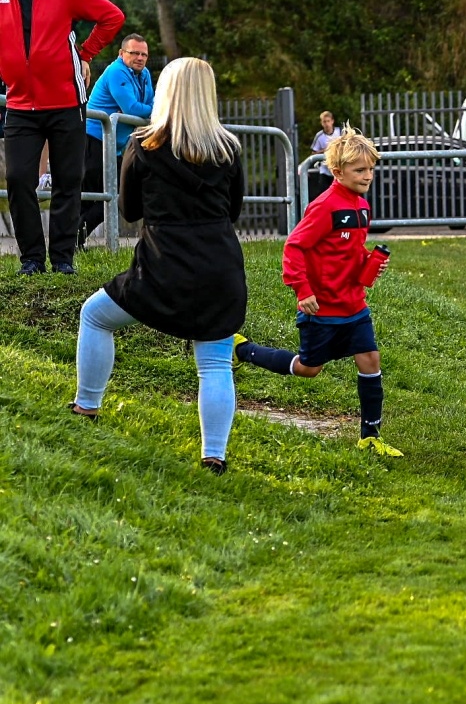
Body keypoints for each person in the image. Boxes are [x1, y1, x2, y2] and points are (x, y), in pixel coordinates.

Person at [70, 58, 244, 473]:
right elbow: (233, 211)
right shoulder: (229, 148)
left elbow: (129, 209)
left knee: (95, 316)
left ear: (164, 90)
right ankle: (213, 456)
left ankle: (86, 406)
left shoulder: (143, 145)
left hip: (162, 265)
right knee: (215, 362)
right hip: (220, 267)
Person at [233, 130, 404, 457]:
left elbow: (350, 250)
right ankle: (244, 350)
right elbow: (294, 246)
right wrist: (303, 290)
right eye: (359, 170)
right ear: (338, 172)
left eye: (370, 169)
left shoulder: (363, 207)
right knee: (309, 369)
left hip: (354, 305)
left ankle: (370, 436)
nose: (367, 176)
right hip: (322, 308)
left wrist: (369, 262)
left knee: (370, 360)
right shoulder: (324, 206)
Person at [0, 0, 125, 274]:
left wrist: (85, 53)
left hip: (66, 103)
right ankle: (31, 260)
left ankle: (63, 260)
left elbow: (112, 16)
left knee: (69, 181)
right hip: (20, 107)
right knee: (19, 178)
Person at [80, 34, 154, 245]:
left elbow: (150, 103)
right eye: (134, 53)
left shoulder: (144, 73)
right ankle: (71, 242)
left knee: (117, 196)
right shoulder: (116, 71)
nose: (140, 58)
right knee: (93, 196)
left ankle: (74, 240)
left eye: (144, 54)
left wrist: (144, 110)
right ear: (122, 54)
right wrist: (144, 111)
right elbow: (133, 108)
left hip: (116, 145)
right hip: (94, 139)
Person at [308, 110, 341, 202]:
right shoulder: (319, 136)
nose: (326, 124)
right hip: (325, 171)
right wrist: (325, 150)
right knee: (324, 195)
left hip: (339, 169)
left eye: (328, 121)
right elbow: (313, 154)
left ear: (332, 121)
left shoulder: (340, 132)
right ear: (321, 123)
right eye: (324, 121)